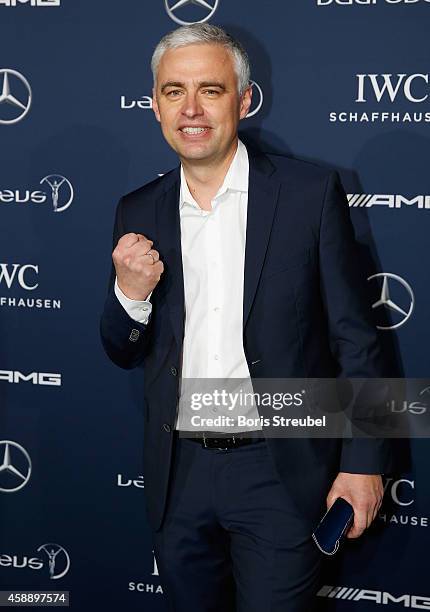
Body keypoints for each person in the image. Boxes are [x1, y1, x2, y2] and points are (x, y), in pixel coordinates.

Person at [100, 23, 392, 612]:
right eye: (174, 91)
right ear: (154, 103)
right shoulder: (137, 208)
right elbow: (124, 348)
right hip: (178, 472)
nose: (191, 109)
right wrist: (129, 296)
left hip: (279, 468)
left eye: (210, 89)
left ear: (244, 99)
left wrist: (364, 464)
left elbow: (357, 341)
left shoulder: (310, 194)